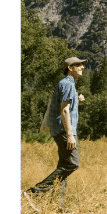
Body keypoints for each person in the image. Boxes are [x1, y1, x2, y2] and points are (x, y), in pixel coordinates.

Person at [26, 57, 86, 195]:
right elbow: (64, 110)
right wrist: (70, 135)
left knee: (63, 165)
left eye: (82, 65)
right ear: (70, 68)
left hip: (61, 129)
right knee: (72, 163)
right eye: (78, 65)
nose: (82, 67)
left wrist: (78, 100)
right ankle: (35, 192)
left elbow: (66, 106)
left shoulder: (67, 84)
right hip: (65, 130)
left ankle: (58, 203)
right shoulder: (68, 84)